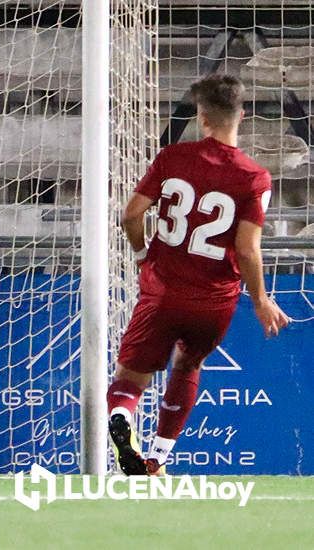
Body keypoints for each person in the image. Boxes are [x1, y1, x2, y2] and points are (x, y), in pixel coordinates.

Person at [106, 74, 290, 476]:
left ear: (202, 118)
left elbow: (131, 215)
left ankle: (122, 414)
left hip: (162, 289)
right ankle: (157, 458)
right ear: (241, 115)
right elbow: (246, 249)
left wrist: (141, 255)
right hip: (213, 299)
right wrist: (260, 300)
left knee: (130, 378)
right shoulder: (254, 177)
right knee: (188, 366)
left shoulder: (173, 158)